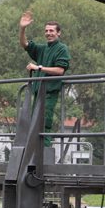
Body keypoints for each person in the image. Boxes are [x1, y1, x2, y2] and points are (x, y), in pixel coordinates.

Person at [18, 10, 70, 146]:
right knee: (33, 124)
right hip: (38, 93)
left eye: (51, 31)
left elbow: (60, 70)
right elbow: (25, 45)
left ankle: (45, 155)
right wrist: (22, 28)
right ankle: (35, 154)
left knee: (43, 124)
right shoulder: (43, 49)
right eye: (46, 31)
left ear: (58, 33)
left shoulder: (61, 48)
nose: (48, 33)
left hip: (49, 92)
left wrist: (39, 68)